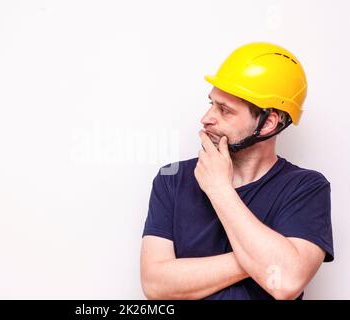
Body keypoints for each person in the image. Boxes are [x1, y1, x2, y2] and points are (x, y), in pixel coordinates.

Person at [140, 42, 334, 300]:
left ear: (267, 124)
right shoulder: (172, 180)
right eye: (212, 103)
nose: (206, 118)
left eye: (225, 110)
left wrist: (219, 189)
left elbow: (286, 281)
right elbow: (155, 285)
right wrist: (256, 261)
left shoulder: (306, 188)